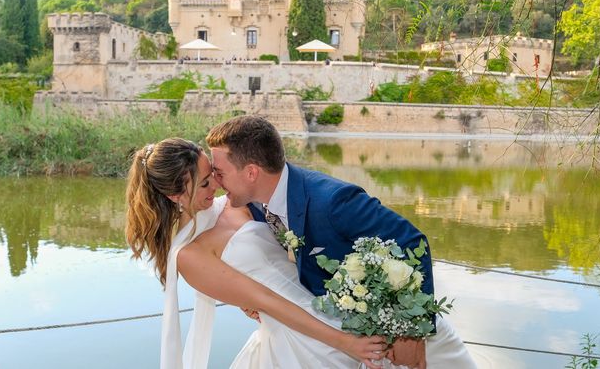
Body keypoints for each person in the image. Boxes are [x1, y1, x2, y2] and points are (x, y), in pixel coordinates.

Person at [206, 116, 476, 369]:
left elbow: (410, 241)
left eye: (219, 172)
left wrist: (411, 334)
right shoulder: (256, 205)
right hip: (360, 340)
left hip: (411, 335)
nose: (216, 183)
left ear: (251, 172)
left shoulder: (332, 201)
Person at [125, 138, 387, 369]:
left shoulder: (234, 202)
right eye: (205, 183)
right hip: (298, 337)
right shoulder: (189, 255)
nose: (216, 184)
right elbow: (265, 299)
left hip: (328, 306)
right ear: (175, 195)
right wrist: (344, 342)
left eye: (214, 173)